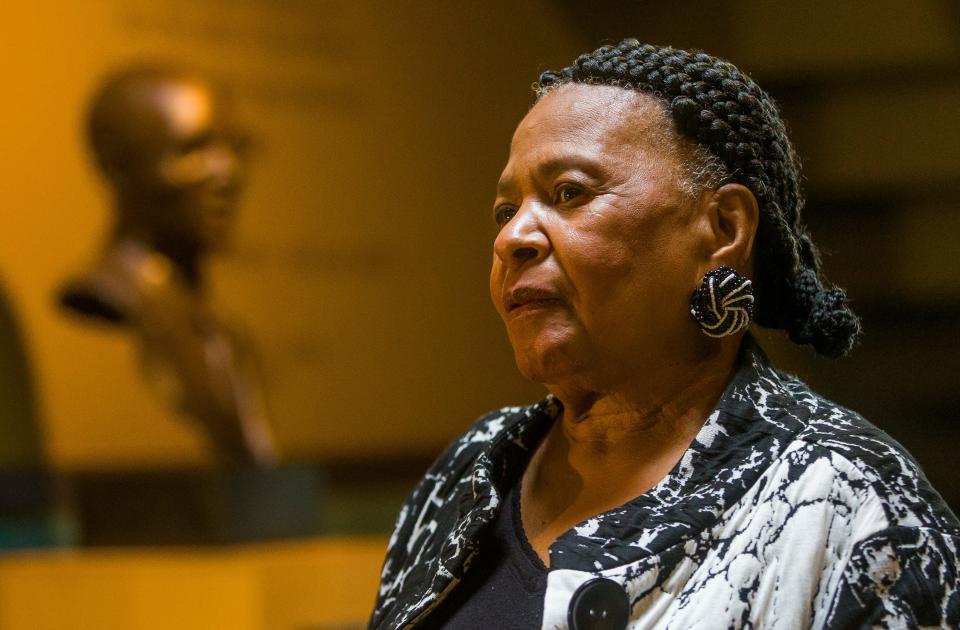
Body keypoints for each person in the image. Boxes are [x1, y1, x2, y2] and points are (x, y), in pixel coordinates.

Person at [369, 41, 959, 629]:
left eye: (569, 192)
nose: (512, 237)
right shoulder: (471, 472)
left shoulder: (850, 505)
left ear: (722, 228)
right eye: (505, 210)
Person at [58, 64, 276, 467]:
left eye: (234, 149)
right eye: (192, 150)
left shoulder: (224, 336)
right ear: (118, 168)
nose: (227, 174)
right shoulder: (120, 298)